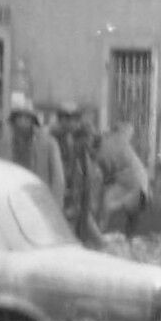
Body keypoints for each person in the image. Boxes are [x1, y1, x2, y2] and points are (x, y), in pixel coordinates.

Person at [0, 95, 66, 207]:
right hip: (11, 200)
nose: (22, 121)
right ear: (14, 120)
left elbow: (58, 179)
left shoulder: (48, 143)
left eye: (27, 118)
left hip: (39, 202)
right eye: (19, 117)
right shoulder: (5, 143)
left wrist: (55, 207)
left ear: (33, 121)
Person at [55, 102, 106, 248]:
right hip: (67, 189)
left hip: (82, 189)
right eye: (66, 119)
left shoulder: (81, 143)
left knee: (83, 222)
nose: (69, 122)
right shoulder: (56, 139)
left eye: (73, 119)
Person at [97, 120, 151, 236]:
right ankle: (103, 233)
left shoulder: (111, 143)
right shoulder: (114, 142)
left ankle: (100, 233)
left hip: (133, 180)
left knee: (106, 205)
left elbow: (128, 129)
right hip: (130, 180)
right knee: (108, 205)